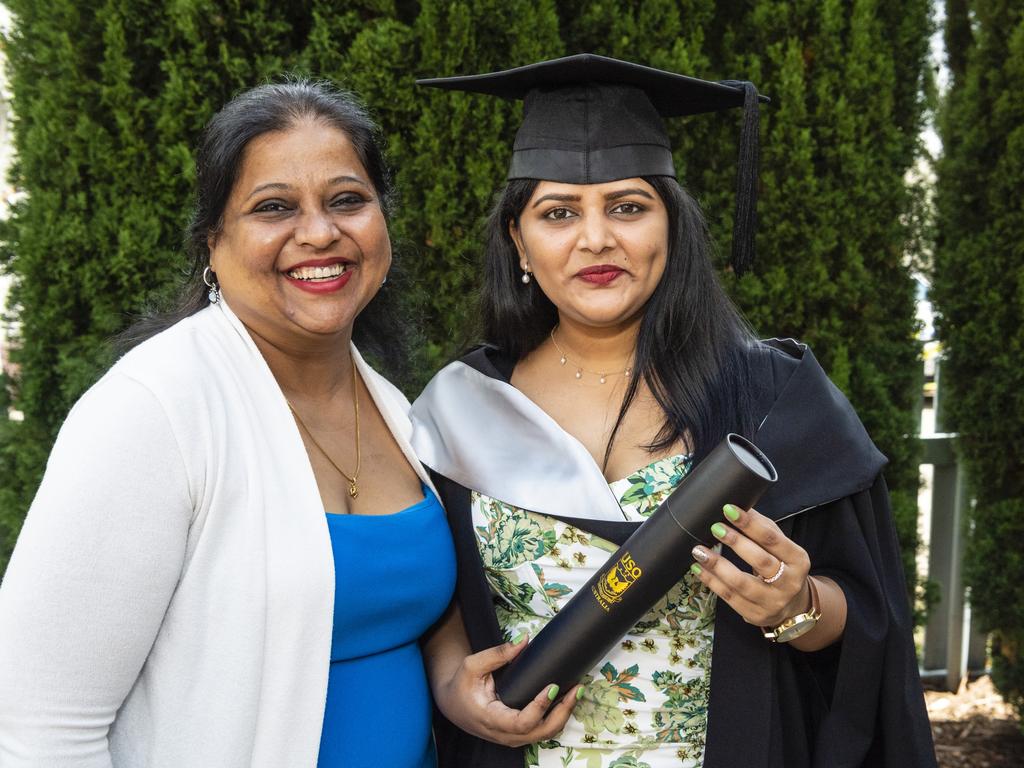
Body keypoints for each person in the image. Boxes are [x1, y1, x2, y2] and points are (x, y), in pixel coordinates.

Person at [412, 55, 937, 767]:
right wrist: (452, 688)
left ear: (672, 225)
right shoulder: (458, 409)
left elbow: (865, 617)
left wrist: (798, 605)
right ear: (518, 242)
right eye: (558, 212)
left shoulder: (771, 398)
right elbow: (432, 604)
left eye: (628, 207)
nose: (595, 238)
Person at [0, 79, 455, 767]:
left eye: (348, 200)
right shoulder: (152, 412)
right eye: (274, 207)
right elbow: (38, 731)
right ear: (213, 243)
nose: (320, 232)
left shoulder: (395, 407)